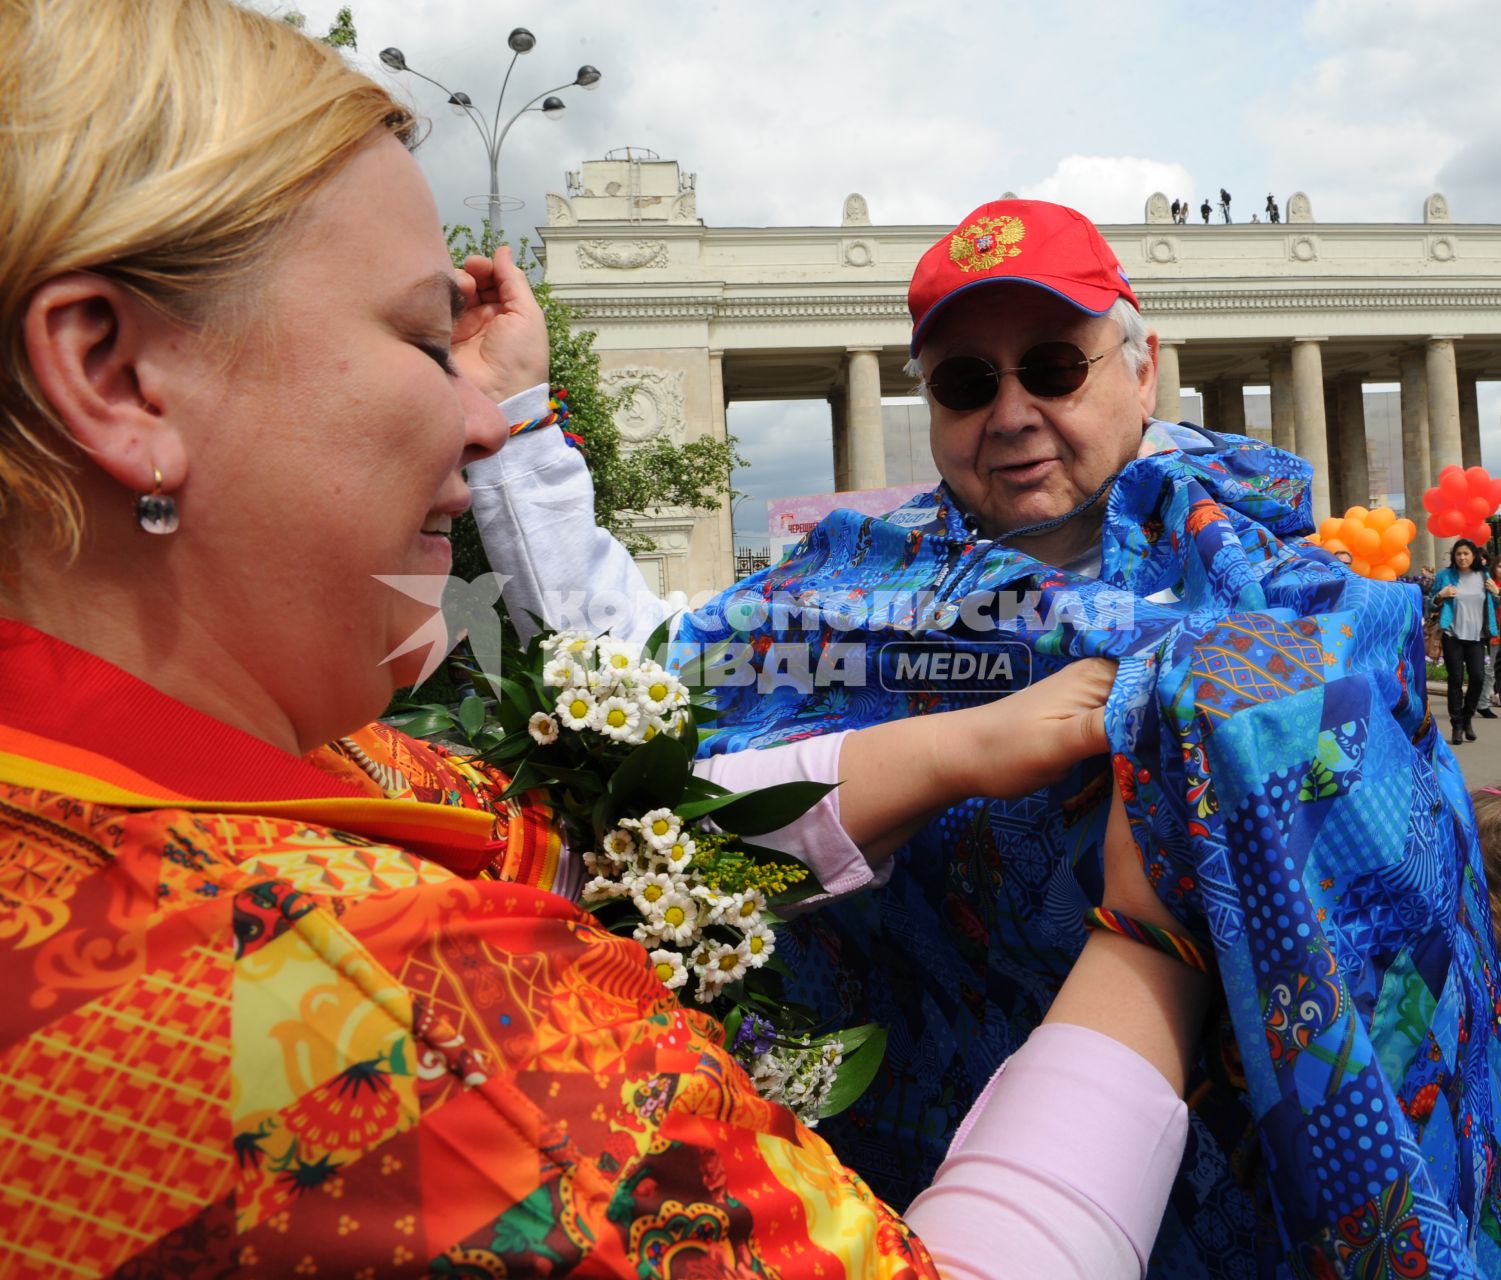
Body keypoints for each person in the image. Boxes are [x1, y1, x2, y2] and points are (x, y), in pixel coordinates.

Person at [0, 3, 1224, 1276]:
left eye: (1056, 367)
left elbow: (620, 841)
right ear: (115, 375)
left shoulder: (330, 771)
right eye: (424, 343)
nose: (476, 420)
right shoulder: (376, 1009)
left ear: (1144, 367)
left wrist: (953, 747)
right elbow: (658, 696)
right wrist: (1149, 943)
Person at [474, 199, 1501, 1275]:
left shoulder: (1293, 590)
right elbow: (639, 681)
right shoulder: (845, 590)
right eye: (967, 382)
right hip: (934, 1182)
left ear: (1140, 371)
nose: (1009, 411)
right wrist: (517, 417)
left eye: (1053, 366)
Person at [1430, 538, 1499, 743]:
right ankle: (1457, 725)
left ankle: (1467, 716)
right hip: (1453, 636)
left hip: (1477, 636)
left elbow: (1496, 600)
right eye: (1458, 554)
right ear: (1454, 556)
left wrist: (1497, 592)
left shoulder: (1484, 575)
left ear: (1474, 556)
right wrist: (1440, 596)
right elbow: (1430, 604)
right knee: (1455, 679)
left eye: (1466, 554)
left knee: (1477, 678)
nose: (1462, 557)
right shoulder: (1445, 575)